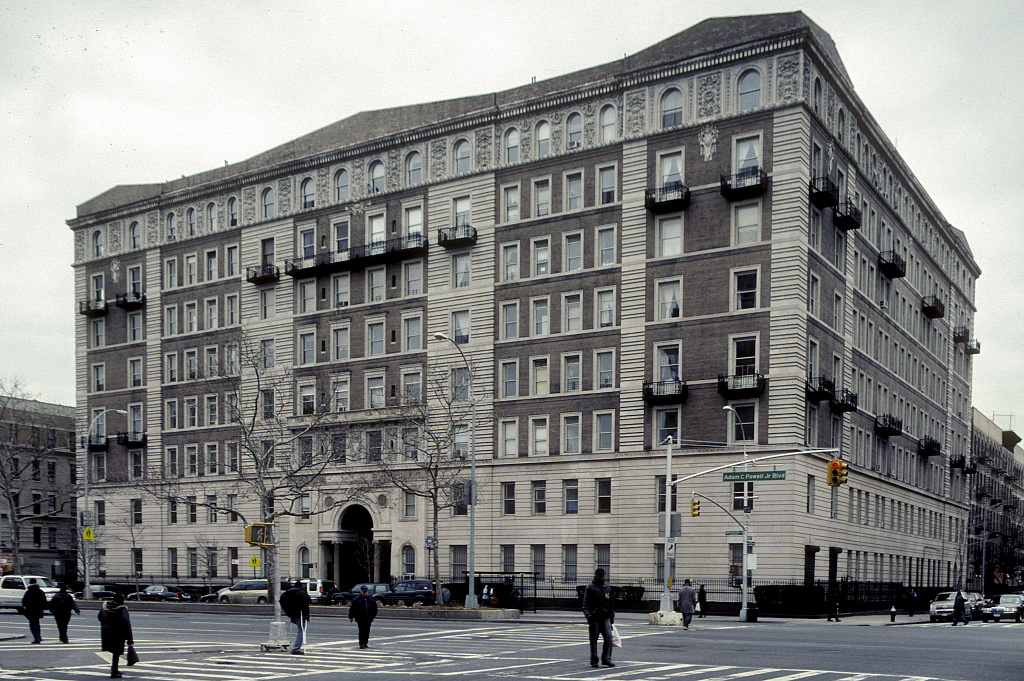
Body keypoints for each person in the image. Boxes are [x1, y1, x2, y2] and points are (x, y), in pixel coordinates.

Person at [581, 568, 615, 668]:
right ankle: (594, 660)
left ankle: (606, 659)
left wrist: (611, 615)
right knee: (594, 639)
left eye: (602, 575)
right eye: (599, 575)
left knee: (608, 639)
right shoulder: (590, 588)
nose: (601, 576)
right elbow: (585, 604)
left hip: (605, 616)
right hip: (595, 617)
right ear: (596, 575)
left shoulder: (606, 588)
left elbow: (610, 603)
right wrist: (588, 615)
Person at [97, 593, 134, 679]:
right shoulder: (122, 609)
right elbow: (126, 624)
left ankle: (115, 669)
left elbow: (99, 617)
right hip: (118, 633)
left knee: (114, 652)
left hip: (107, 633)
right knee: (116, 653)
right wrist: (130, 639)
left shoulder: (105, 607)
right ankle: (114, 671)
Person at [280, 580, 311, 654]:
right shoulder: (302, 593)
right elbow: (305, 606)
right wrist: (306, 616)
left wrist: (287, 611)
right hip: (299, 614)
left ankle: (295, 647)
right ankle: (296, 648)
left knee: (299, 629)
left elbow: (281, 600)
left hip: (292, 614)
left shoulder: (287, 593)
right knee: (301, 631)